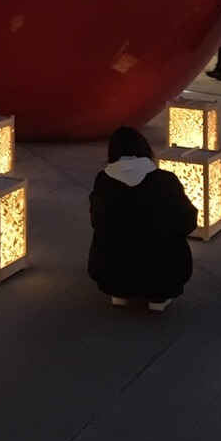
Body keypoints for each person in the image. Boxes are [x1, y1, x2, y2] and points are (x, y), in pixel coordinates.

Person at [88, 126, 197, 311]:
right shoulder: (165, 180)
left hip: (110, 273)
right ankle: (158, 298)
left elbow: (97, 220)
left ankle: (119, 293)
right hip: (162, 274)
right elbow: (188, 220)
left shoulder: (103, 181)